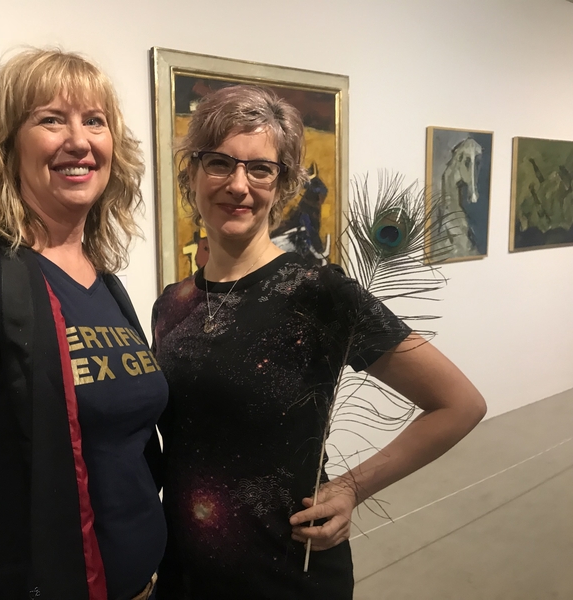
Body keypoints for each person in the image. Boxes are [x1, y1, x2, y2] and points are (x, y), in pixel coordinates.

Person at [151, 85, 487, 599]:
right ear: (192, 172)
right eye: (219, 163)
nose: (238, 185)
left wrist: (351, 488)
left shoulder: (317, 293)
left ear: (283, 183)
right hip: (185, 576)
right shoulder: (172, 305)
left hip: (286, 573)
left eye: (260, 169)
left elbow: (459, 404)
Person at [0, 48, 167, 600]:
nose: (79, 141)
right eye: (51, 119)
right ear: (7, 146)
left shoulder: (105, 282)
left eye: (95, 121)